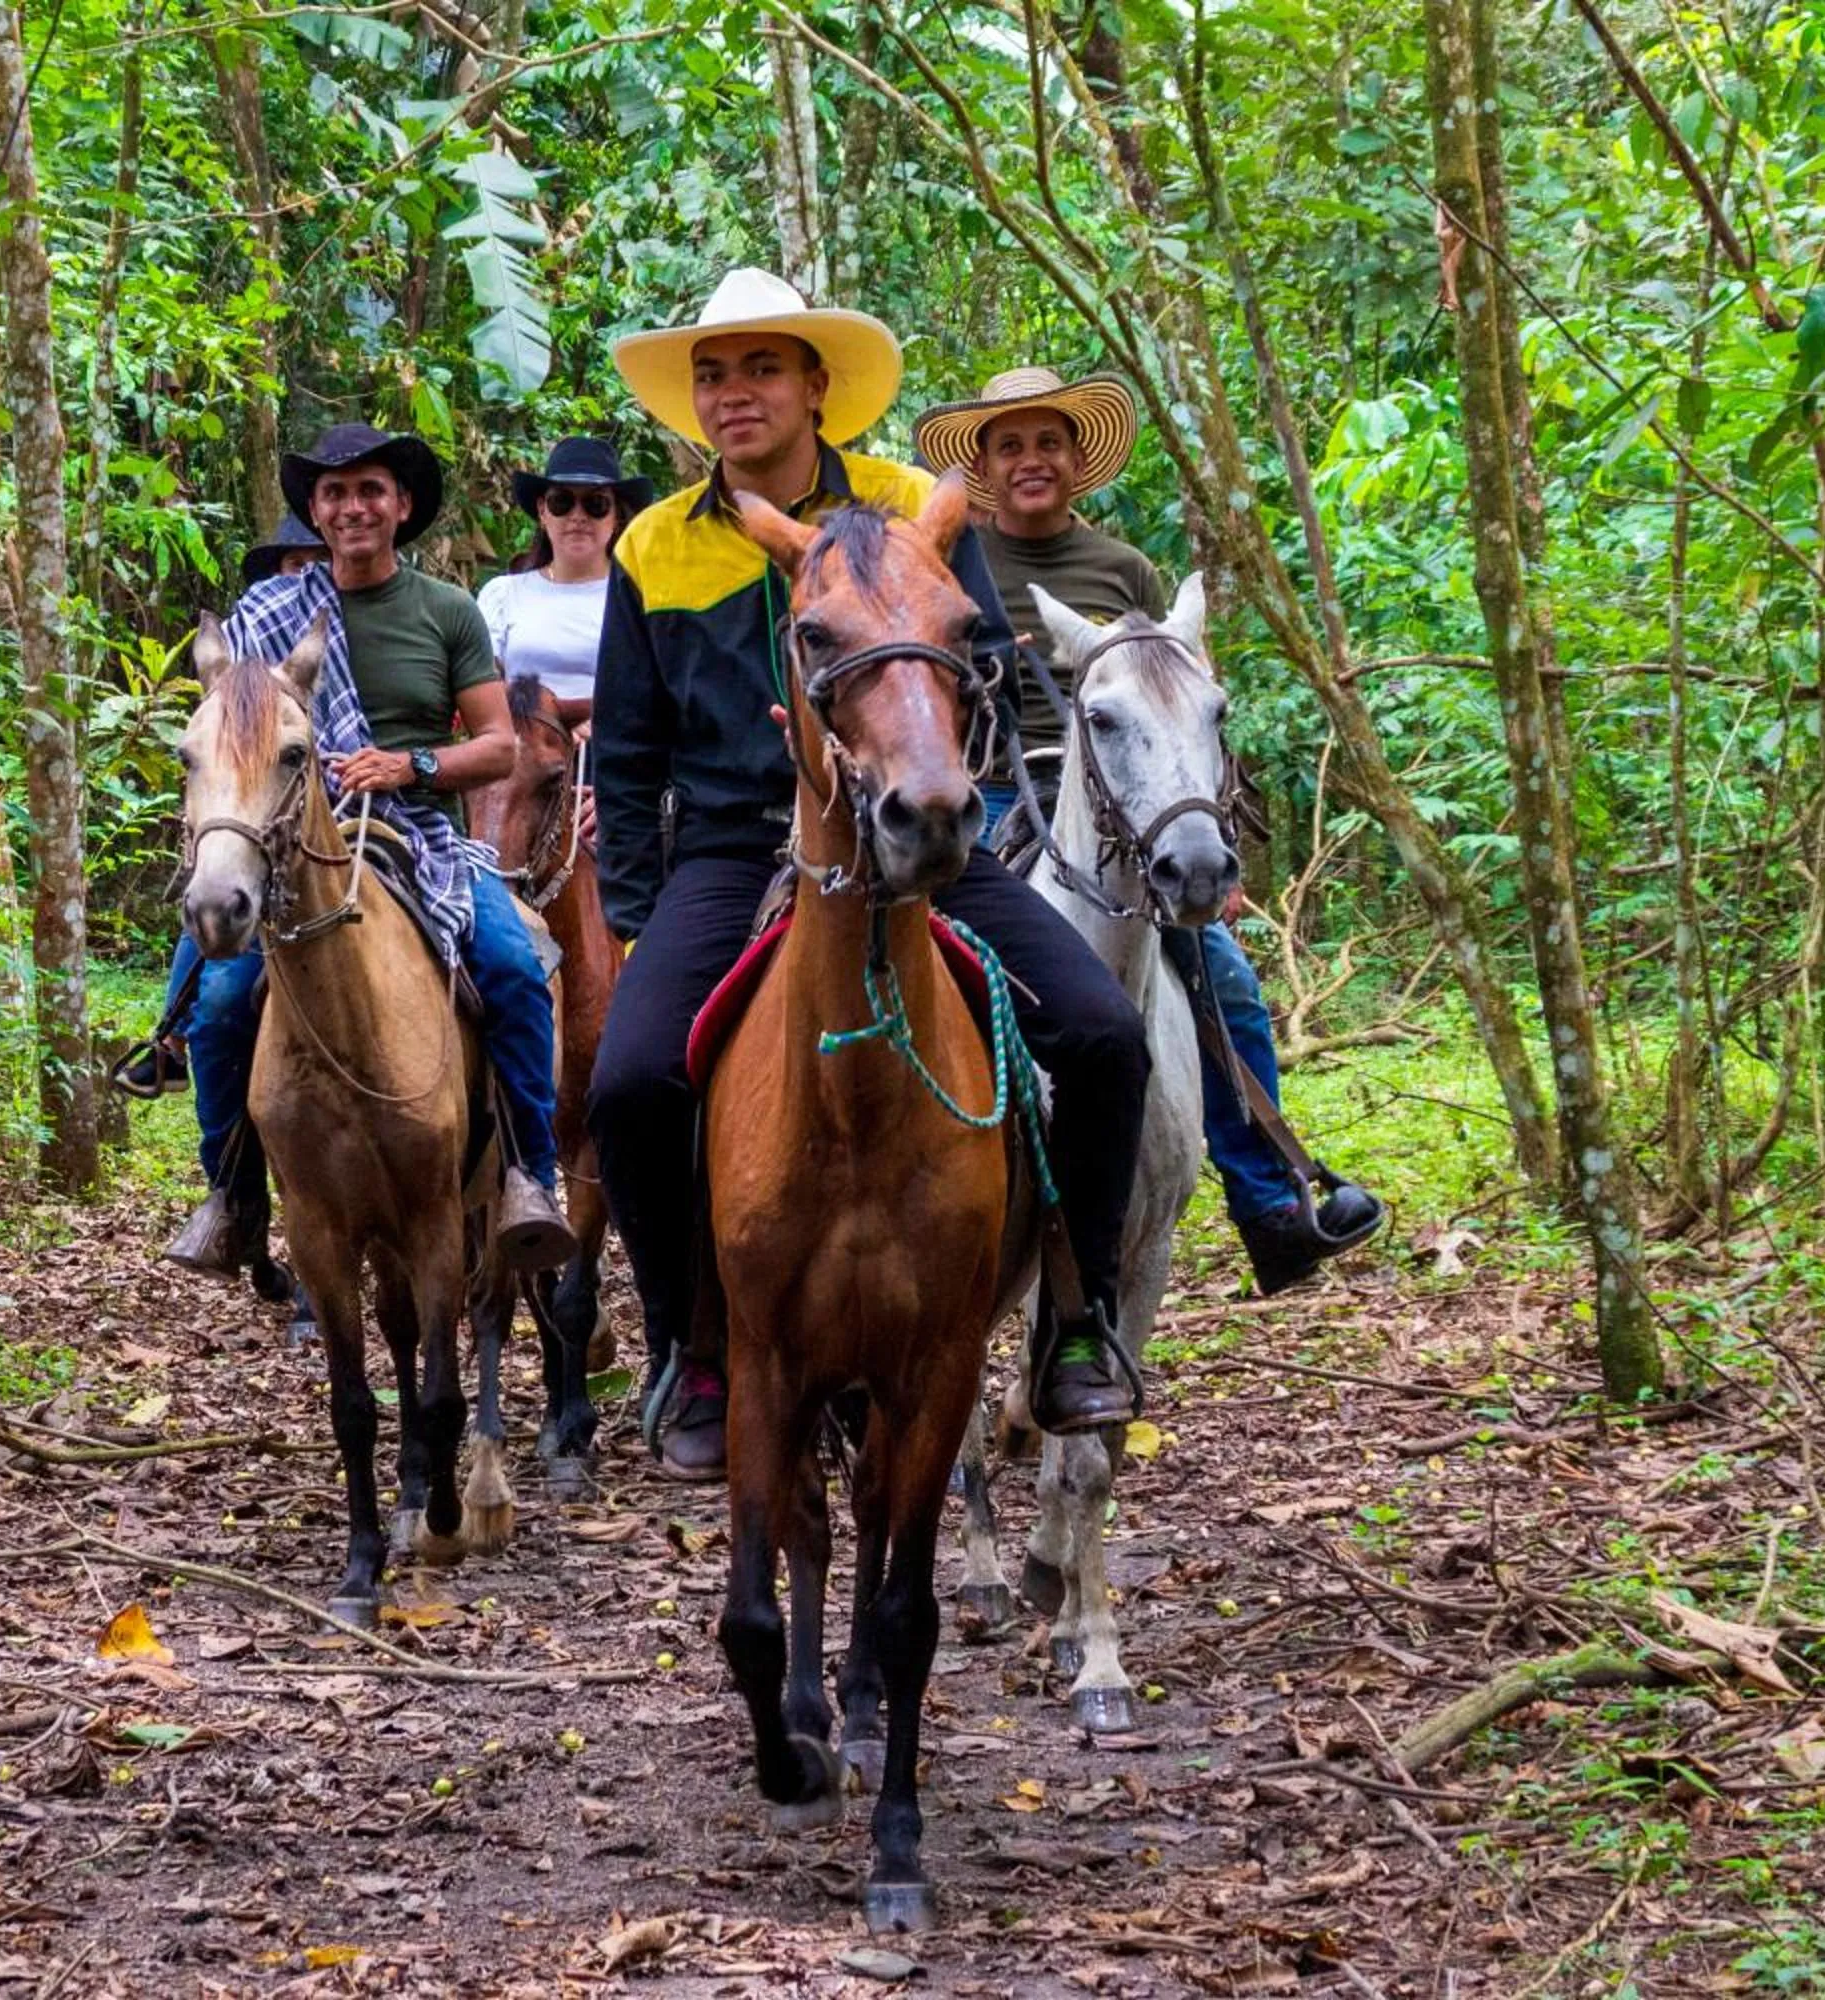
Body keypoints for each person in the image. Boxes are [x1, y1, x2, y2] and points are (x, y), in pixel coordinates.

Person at [588, 268, 1153, 1480]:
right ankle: (692, 1343)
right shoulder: (651, 543)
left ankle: (1076, 1324)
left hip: (921, 843)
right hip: (736, 843)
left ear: (816, 387)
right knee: (630, 1083)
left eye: (760, 368)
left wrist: (955, 809)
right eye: (712, 373)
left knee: (1105, 1035)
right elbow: (629, 753)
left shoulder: (910, 510)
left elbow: (989, 671)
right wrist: (634, 915)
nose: (732, 394)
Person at [913, 365, 1384, 1294]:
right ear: (984, 465)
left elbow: (1180, 711)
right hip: (1004, 790)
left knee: (1231, 986)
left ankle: (1272, 1202)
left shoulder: (1123, 568)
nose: (1031, 460)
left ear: (1076, 459)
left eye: (1049, 441)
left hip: (1134, 805)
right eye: (1010, 445)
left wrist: (1204, 836)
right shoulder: (958, 564)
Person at [169, 423, 575, 1281]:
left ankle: (529, 1179)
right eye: (334, 493)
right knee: (216, 1003)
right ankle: (233, 1198)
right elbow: (230, 741)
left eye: (370, 491)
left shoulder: (447, 611)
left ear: (401, 508)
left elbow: (498, 746)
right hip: (288, 842)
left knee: (510, 968)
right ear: (314, 511)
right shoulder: (269, 616)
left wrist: (412, 764)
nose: (352, 507)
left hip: (418, 834)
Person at [125, 513, 332, 1107]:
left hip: (355, 804)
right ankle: (173, 1041)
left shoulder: (345, 629)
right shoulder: (253, 634)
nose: (305, 575)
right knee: (216, 981)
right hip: (265, 818)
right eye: (295, 564)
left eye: (316, 563)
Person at [477, 437, 651, 728]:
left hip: (616, 749)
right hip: (522, 752)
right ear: (543, 511)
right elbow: (480, 688)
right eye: (562, 502)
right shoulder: (503, 595)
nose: (577, 516)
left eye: (595, 504)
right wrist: (551, 721)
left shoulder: (639, 597)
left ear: (616, 516)